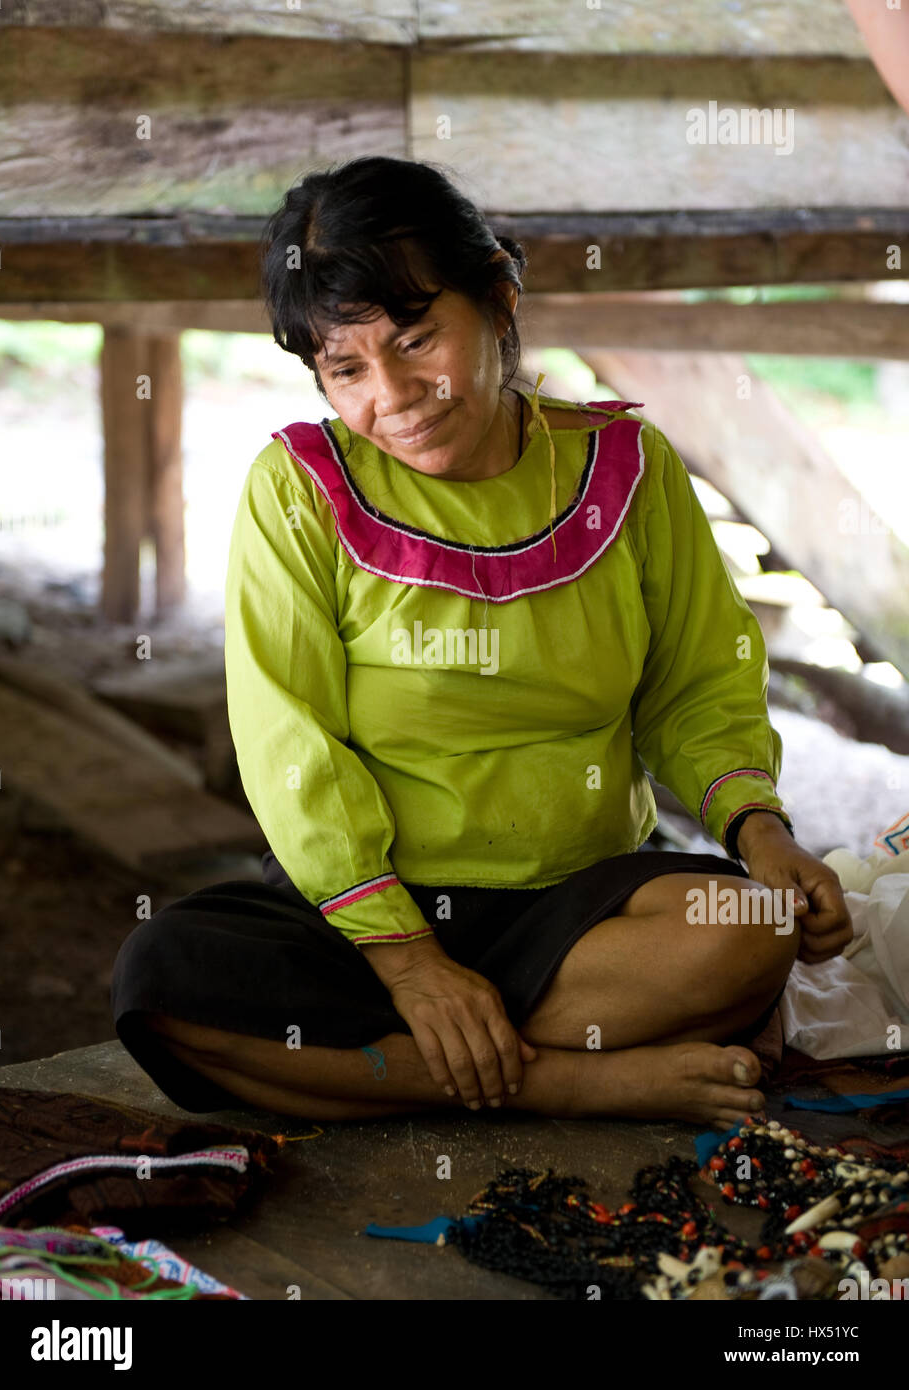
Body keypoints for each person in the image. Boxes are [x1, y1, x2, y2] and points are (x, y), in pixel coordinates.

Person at [111, 156, 853, 1128]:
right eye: (347, 368)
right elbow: (289, 747)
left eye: (417, 338)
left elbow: (697, 687)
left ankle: (420, 1068)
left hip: (581, 908)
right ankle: (572, 1079)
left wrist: (760, 832)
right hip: (366, 917)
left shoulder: (625, 471)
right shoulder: (297, 490)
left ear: (499, 298)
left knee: (752, 927)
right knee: (163, 976)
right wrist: (410, 960)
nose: (395, 394)